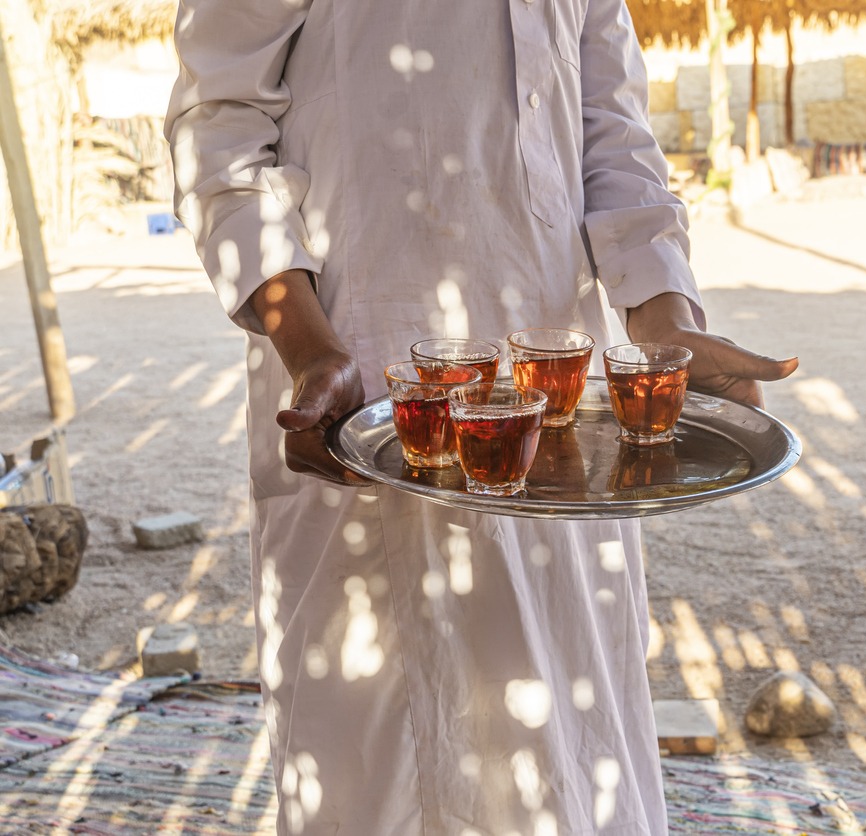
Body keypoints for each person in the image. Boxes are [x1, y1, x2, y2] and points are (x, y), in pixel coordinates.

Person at [165, 1, 798, 832]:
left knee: (569, 735)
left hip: (556, 401)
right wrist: (311, 348)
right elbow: (219, 129)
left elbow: (612, 131)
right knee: (388, 761)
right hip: (368, 394)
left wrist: (664, 324)